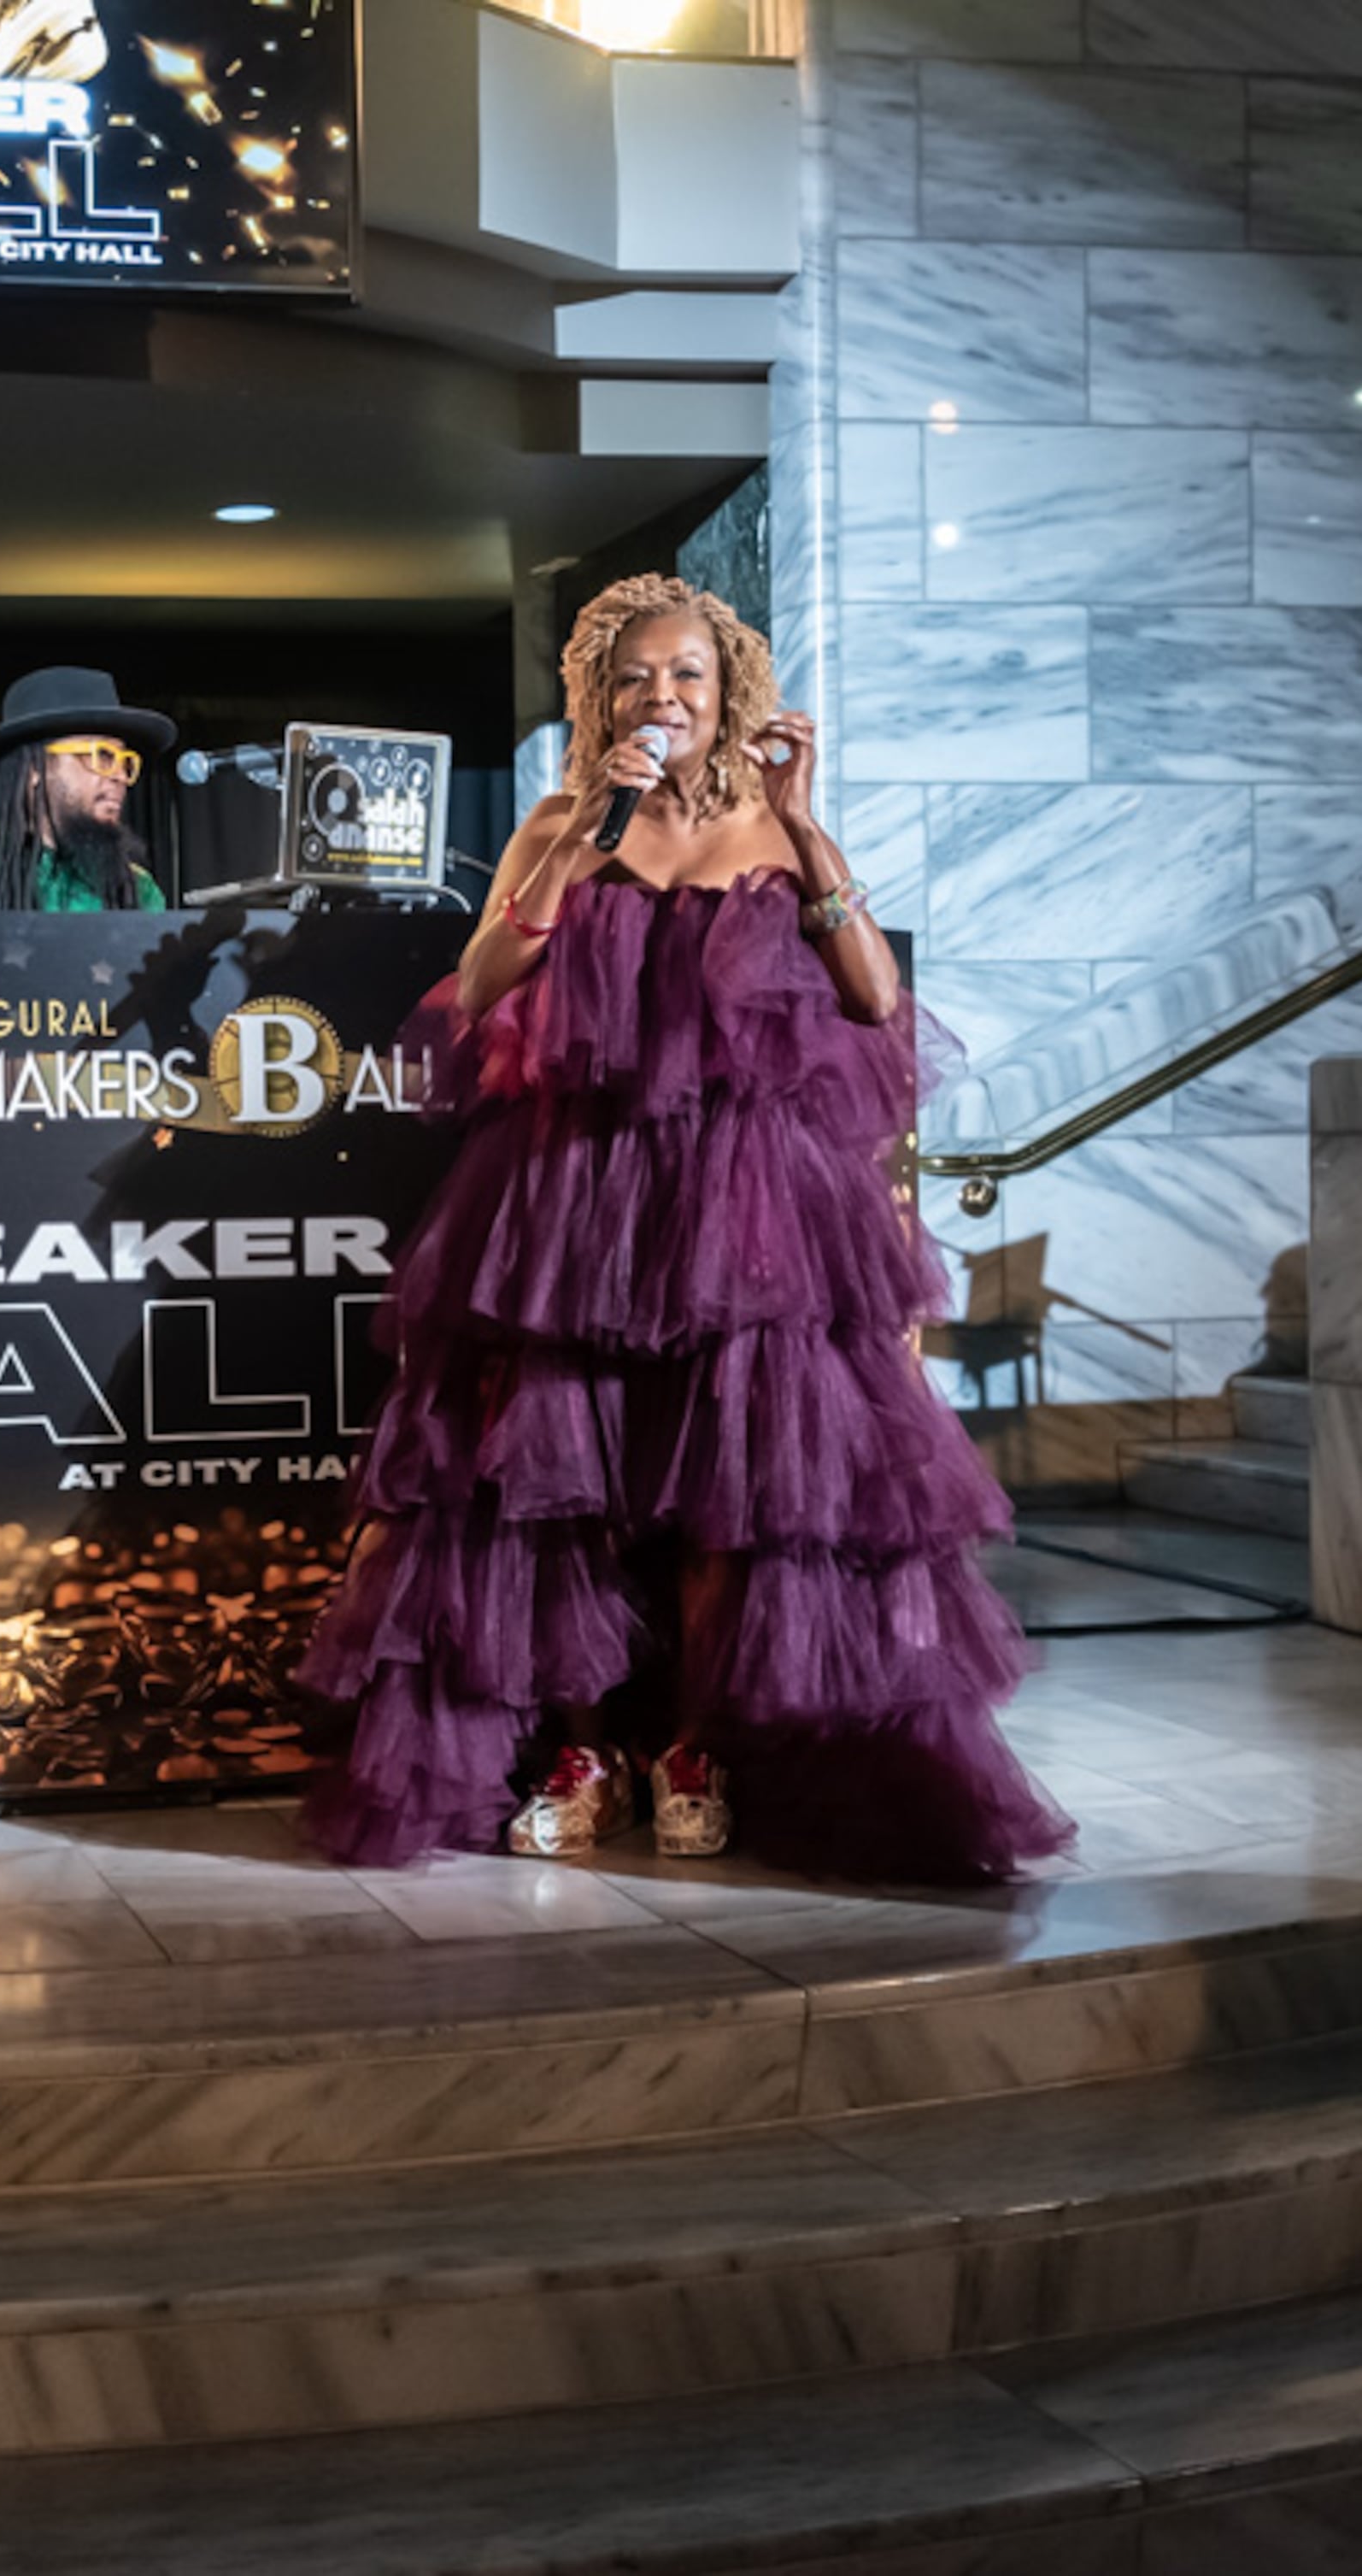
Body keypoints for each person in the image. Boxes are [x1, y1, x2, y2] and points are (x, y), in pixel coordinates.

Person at [296, 573, 1070, 1885]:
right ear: (601, 697)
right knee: (565, 1488)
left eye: (690, 675)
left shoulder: (778, 831)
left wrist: (810, 830)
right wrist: (586, 837)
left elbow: (877, 998)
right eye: (639, 676)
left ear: (732, 693)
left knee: (737, 1493)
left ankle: (698, 1749)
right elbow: (478, 987)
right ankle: (588, 1749)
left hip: (745, 1206)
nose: (666, 696)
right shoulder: (564, 816)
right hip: (576, 1200)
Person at [0, 665, 174, 912]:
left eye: (126, 762)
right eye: (102, 756)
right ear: (34, 769)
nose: (120, 776)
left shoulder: (138, 891)